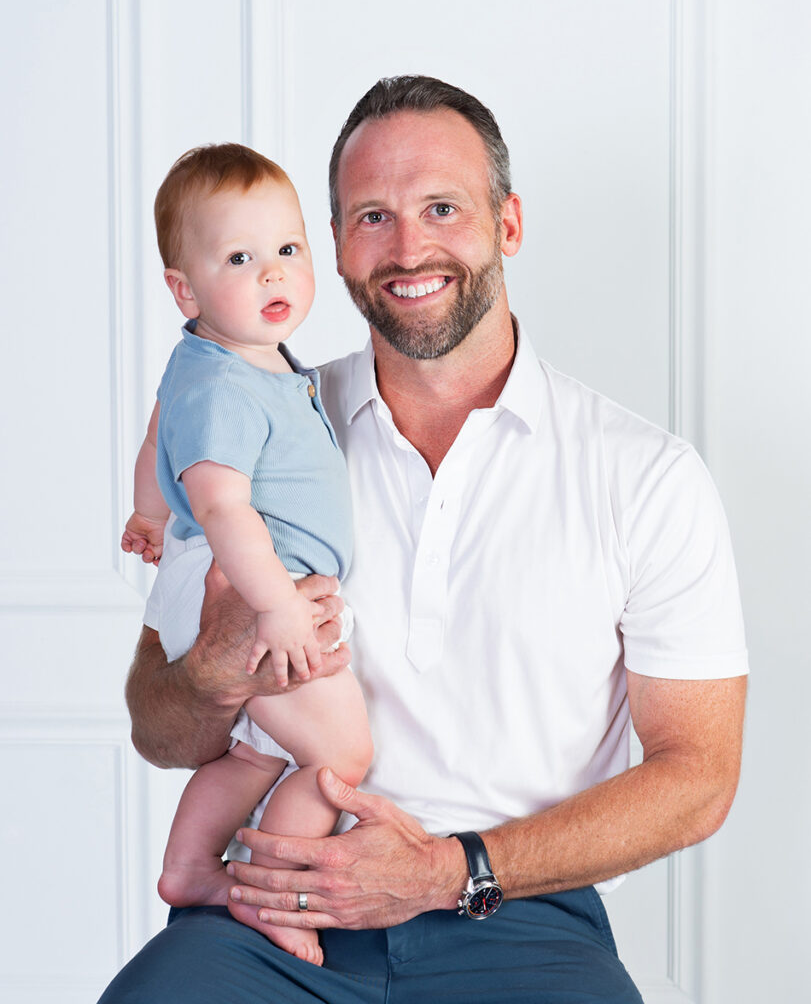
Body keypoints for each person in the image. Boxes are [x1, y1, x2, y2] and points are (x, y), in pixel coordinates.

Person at [100, 76, 748, 1003]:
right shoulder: (258, 428)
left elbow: (698, 779)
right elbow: (157, 729)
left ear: (508, 223)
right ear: (332, 245)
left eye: (441, 207)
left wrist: (453, 869)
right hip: (265, 912)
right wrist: (213, 668)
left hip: (514, 916)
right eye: (372, 216)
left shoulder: (645, 475)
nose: (408, 248)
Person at [120, 143, 372, 965]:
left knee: (257, 753)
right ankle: (278, 894)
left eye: (287, 251)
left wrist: (148, 512)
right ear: (182, 288)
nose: (272, 275)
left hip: (221, 579)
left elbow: (161, 427)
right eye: (240, 257)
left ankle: (191, 867)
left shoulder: (219, 363)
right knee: (339, 754)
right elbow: (225, 505)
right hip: (255, 588)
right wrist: (275, 608)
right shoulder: (230, 382)